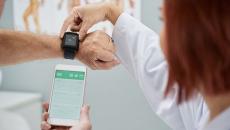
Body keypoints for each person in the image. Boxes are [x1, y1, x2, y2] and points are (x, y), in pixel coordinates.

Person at [42, 1, 230, 130]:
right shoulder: (211, 101)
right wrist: (110, 11)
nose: (161, 42)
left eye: (165, 22)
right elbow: (161, 71)